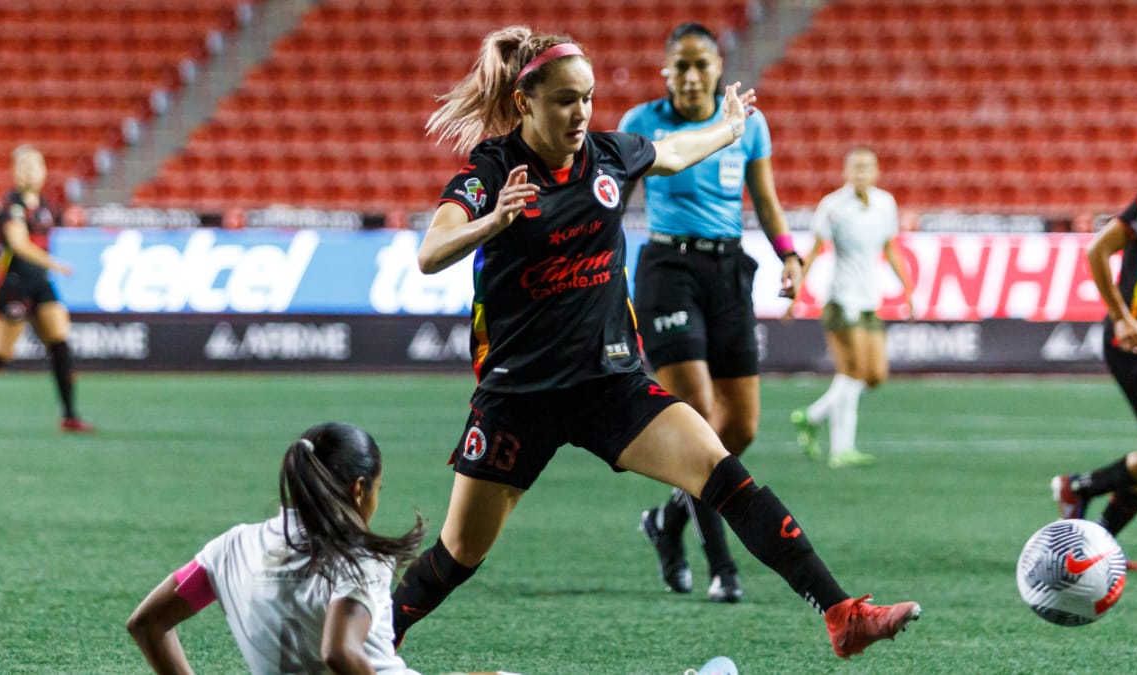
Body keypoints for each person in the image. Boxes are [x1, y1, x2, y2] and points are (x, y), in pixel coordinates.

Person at [389, 25, 920, 661]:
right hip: (518, 398)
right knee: (458, 554)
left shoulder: (610, 156)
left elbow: (670, 152)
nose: (581, 112)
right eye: (565, 99)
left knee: (724, 472)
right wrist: (491, 222)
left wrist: (728, 129)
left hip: (610, 384)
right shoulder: (491, 169)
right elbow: (429, 253)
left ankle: (842, 614)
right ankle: (369, 639)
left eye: (586, 97)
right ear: (526, 101)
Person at [618, 22, 803, 603]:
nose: (693, 75)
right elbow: (611, 206)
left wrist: (790, 256)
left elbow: (765, 199)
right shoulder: (640, 124)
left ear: (719, 69)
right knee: (696, 416)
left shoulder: (747, 124)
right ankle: (724, 568)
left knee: (740, 427)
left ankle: (668, 522)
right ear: (666, 71)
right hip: (668, 271)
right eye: (682, 65)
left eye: (702, 64)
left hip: (728, 273)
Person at [128, 422, 504, 674]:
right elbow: (339, 651)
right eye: (378, 489)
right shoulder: (359, 556)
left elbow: (147, 624)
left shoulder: (229, 547)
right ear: (359, 489)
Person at [785, 148, 913, 468]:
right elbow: (814, 251)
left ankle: (811, 416)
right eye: (856, 167)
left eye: (867, 167)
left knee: (874, 376)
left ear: (877, 171)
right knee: (852, 372)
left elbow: (891, 248)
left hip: (871, 299)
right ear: (846, 171)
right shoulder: (833, 207)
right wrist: (795, 292)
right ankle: (842, 449)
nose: (861, 173)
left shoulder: (885, 204)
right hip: (842, 300)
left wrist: (907, 288)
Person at [0, 145, 92, 432]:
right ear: (16, 172)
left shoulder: (45, 205)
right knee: (0, 354)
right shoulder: (12, 205)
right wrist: (56, 264)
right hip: (16, 285)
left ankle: (69, 415)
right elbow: (19, 244)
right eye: (26, 166)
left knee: (60, 342)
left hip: (41, 284)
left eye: (37, 165)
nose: (32, 172)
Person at [1052, 184, 1137, 572]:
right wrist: (1122, 316)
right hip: (1134, 344)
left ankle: (1097, 539)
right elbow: (1098, 250)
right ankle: (1081, 487)